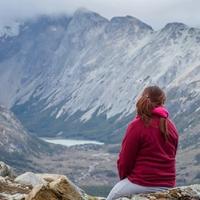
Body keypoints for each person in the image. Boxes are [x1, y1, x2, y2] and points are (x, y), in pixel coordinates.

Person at [106, 85, 179, 200]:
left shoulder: (138, 125)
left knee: (112, 196)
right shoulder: (170, 126)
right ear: (163, 101)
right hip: (168, 185)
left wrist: (126, 180)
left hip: (141, 182)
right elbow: (172, 155)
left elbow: (125, 160)